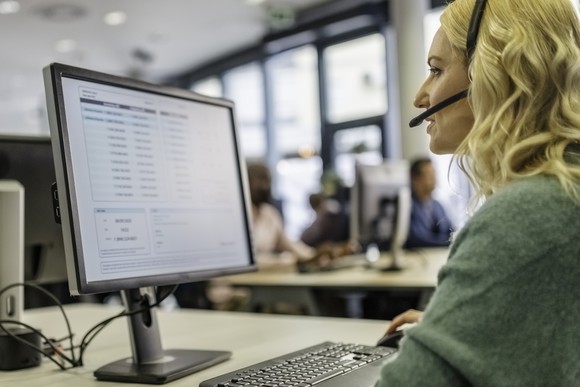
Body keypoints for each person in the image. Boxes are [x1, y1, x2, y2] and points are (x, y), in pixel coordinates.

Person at [376, 0, 580, 386]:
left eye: (436, 71)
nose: (420, 98)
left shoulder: (532, 212)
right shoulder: (567, 185)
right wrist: (468, 324)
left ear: (494, 73)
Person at [405, 157, 454, 248]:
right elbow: (417, 239)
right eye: (429, 175)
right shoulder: (408, 206)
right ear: (415, 179)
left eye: (434, 174)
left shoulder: (437, 205)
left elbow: (450, 230)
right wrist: (447, 243)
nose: (434, 179)